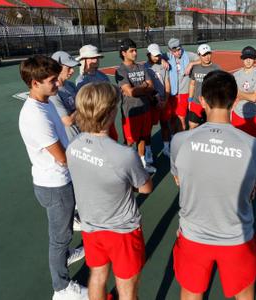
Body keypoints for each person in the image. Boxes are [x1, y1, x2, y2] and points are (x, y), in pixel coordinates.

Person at [170, 70, 256, 300]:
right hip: (237, 238)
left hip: (193, 235)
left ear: (202, 101)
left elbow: (179, 180)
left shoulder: (179, 141)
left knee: (191, 294)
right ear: (235, 102)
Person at [67, 82, 153, 300]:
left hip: (91, 227)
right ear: (110, 112)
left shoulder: (73, 145)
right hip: (122, 231)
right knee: (127, 287)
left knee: (97, 275)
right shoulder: (123, 154)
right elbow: (145, 188)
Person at [18, 55, 87, 300]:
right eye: (51, 81)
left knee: (63, 233)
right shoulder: (36, 116)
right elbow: (62, 157)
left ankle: (65, 255)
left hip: (54, 181)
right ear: (35, 83)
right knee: (59, 239)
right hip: (55, 184)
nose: (57, 85)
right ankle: (62, 288)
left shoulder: (44, 102)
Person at [115, 38, 156, 173]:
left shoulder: (141, 66)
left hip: (145, 109)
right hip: (131, 112)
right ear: (123, 53)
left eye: (135, 50)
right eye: (131, 51)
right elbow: (130, 92)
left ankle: (142, 165)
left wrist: (142, 88)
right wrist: (144, 86)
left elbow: (151, 86)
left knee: (143, 137)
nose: (135, 53)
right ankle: (125, 167)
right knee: (130, 141)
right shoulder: (120, 70)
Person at [75, 44, 119, 142]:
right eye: (92, 58)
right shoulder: (81, 80)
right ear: (84, 60)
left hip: (108, 119)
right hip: (93, 123)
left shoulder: (102, 75)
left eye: (97, 58)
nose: (96, 60)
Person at [167, 38, 201, 132]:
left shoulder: (188, 55)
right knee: (172, 118)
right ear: (170, 51)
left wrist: (191, 64)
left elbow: (202, 60)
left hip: (183, 92)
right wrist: (162, 61)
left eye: (179, 49)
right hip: (172, 93)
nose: (178, 52)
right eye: (175, 51)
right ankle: (174, 136)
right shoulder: (166, 57)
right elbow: (155, 58)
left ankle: (181, 138)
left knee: (181, 118)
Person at [145, 43, 172, 157]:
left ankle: (166, 148)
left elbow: (167, 83)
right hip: (152, 103)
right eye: (155, 55)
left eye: (158, 55)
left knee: (165, 125)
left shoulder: (163, 65)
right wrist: (154, 101)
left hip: (164, 102)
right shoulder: (145, 68)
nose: (157, 57)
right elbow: (146, 87)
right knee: (148, 128)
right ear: (148, 55)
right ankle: (148, 151)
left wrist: (165, 101)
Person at [231, 46, 256, 137]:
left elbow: (254, 98)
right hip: (237, 114)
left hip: (253, 117)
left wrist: (239, 93)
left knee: (251, 144)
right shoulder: (236, 75)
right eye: (246, 58)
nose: (248, 60)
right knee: (236, 141)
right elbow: (232, 95)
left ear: (254, 59)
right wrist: (247, 95)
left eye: (251, 58)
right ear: (242, 59)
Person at [50, 51, 81, 141]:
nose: (72, 70)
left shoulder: (70, 85)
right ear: (57, 68)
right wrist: (81, 109)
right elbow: (68, 121)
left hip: (81, 135)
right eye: (69, 68)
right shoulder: (53, 93)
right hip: (69, 142)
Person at [188, 44, 220, 129]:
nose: (207, 57)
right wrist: (190, 99)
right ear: (199, 55)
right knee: (192, 125)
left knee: (209, 128)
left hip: (210, 104)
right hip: (196, 103)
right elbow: (192, 84)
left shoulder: (216, 68)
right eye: (204, 55)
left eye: (208, 54)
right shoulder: (195, 68)